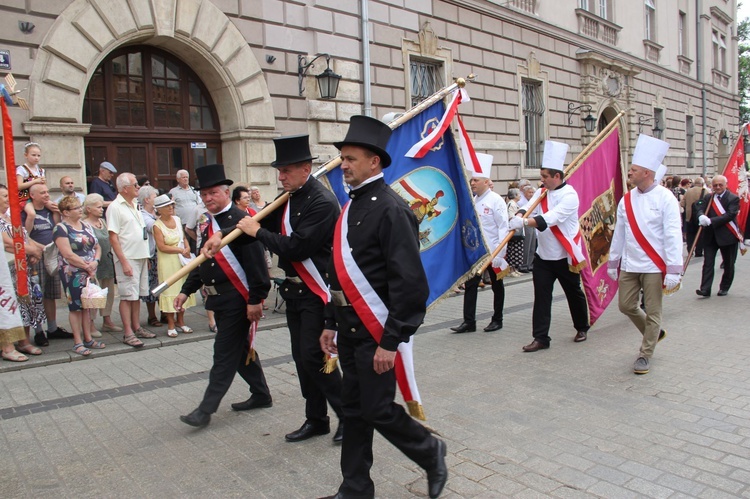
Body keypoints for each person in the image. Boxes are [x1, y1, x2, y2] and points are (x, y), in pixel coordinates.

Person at [318, 116, 447, 499]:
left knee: (376, 410)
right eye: (342, 158)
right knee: (355, 412)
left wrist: (390, 342)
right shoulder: (351, 206)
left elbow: (410, 285)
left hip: (377, 335)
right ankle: (355, 489)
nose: (344, 165)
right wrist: (329, 321)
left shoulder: (392, 209)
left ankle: (430, 450)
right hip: (350, 330)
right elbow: (337, 272)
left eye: (351, 159)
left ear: (374, 162)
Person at [234, 134, 344, 443]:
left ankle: (348, 416)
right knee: (302, 358)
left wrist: (256, 231)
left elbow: (298, 247)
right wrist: (224, 236)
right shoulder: (289, 197)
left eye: (287, 171)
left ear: (306, 168)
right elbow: (258, 226)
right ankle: (317, 419)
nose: (281, 177)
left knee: (315, 356)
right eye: (279, 171)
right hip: (294, 293)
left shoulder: (321, 201)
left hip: (316, 291)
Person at [174, 164, 271, 428]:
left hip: (238, 300)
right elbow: (202, 262)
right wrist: (185, 291)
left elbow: (257, 268)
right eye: (204, 194)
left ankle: (204, 411)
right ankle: (261, 394)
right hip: (219, 300)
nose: (207, 199)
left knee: (224, 353)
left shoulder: (240, 223)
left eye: (213, 193)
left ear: (226, 192)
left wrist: (255, 300)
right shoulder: (209, 224)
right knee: (240, 352)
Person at [608, 135, 682, 375]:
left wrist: (674, 269)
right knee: (625, 305)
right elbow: (619, 232)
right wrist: (614, 260)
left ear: (648, 173)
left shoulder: (665, 198)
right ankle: (655, 332)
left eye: (634, 170)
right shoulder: (626, 199)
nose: (630, 173)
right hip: (630, 263)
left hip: (653, 264)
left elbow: (672, 234)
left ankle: (645, 354)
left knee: (653, 311)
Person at [510, 141, 590, 351]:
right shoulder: (542, 192)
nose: (542, 180)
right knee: (542, 297)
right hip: (543, 257)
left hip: (564, 256)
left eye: (545, 176)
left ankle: (582, 326)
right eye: (541, 176)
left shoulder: (570, 196)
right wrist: (519, 215)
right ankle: (541, 338)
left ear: (557, 176)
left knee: (573, 293)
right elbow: (528, 207)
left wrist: (525, 223)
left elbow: (549, 219)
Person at [450, 153, 508, 334]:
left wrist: (500, 253)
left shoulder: (496, 200)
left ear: (485, 181)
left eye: (475, 180)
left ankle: (497, 319)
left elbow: (503, 227)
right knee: (471, 284)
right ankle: (469, 321)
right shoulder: (473, 200)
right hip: (478, 251)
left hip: (493, 250)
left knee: (497, 286)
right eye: (471, 180)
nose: (472, 183)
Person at [107, 173, 155, 348]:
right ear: (125, 188)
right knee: (127, 296)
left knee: (137, 295)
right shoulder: (115, 207)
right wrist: (124, 262)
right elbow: (113, 237)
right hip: (128, 257)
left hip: (141, 255)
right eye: (135, 185)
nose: (138, 187)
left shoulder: (135, 204)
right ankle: (128, 332)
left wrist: (147, 256)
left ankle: (136, 326)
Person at [53, 196, 106, 356]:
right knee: (75, 306)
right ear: (65, 212)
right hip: (73, 272)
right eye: (75, 208)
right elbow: (67, 254)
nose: (80, 210)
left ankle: (88, 338)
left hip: (89, 270)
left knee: (87, 305)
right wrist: (86, 266)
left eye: (79, 207)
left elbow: (97, 246)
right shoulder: (61, 228)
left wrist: (95, 262)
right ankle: (78, 341)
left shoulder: (85, 225)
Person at [22, 184, 71, 347]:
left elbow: (57, 228)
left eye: (47, 192)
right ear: (32, 196)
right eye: (42, 193)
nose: (46, 195)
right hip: (36, 257)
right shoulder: (27, 213)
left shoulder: (50, 211)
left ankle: (52, 328)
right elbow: (25, 235)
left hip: (52, 255)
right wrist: (39, 249)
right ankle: (38, 331)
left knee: (51, 294)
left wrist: (56, 211)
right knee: (37, 295)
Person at [0, 184, 45, 359]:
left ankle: (24, 341)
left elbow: (25, 236)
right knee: (10, 305)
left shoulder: (11, 217)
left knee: (26, 303)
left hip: (23, 267)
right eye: (4, 196)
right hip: (7, 269)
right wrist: (31, 250)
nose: (7, 199)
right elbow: (8, 243)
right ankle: (8, 346)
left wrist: (35, 250)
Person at [153, 194, 195, 337]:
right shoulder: (156, 225)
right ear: (159, 209)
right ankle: (171, 324)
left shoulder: (177, 219)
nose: (171, 208)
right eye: (167, 206)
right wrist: (180, 250)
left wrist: (188, 247)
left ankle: (181, 321)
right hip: (167, 261)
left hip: (180, 260)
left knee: (182, 288)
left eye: (172, 205)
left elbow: (183, 237)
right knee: (169, 290)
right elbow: (161, 246)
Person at [695, 174, 742, 297]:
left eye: (720, 185)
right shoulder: (708, 197)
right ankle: (705, 289)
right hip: (710, 236)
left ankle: (724, 287)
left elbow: (730, 215)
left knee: (728, 264)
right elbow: (699, 206)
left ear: (726, 185)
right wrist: (701, 215)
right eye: (715, 185)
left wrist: (711, 221)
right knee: (708, 263)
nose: (718, 187)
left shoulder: (733, 198)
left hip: (728, 236)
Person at [82, 194, 121, 334]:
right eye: (98, 207)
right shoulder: (85, 224)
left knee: (108, 291)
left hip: (107, 261)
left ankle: (107, 320)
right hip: (93, 263)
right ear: (89, 208)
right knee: (94, 293)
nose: (101, 209)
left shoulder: (103, 222)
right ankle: (91, 323)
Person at [137, 186, 161, 327]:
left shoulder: (155, 213)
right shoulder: (142, 215)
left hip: (161, 254)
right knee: (152, 285)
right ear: (147, 200)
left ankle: (165, 312)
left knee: (163, 283)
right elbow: (154, 227)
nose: (157, 199)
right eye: (154, 196)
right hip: (150, 254)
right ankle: (152, 316)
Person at [169, 169, 201, 253]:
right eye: (183, 177)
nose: (186, 179)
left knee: (196, 246)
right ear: (178, 179)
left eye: (187, 177)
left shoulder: (194, 190)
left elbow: (200, 204)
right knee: (185, 247)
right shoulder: (173, 192)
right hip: (182, 223)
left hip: (195, 223)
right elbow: (171, 207)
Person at [681, 177, 707, 256]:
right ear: (702, 184)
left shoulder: (688, 191)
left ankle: (690, 250)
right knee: (700, 235)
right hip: (701, 216)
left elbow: (682, 203)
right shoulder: (705, 191)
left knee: (690, 234)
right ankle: (698, 251)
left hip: (689, 216)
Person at [16, 142, 47, 208]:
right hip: (26, 198)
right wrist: (35, 181)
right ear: (26, 155)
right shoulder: (22, 169)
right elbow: (19, 186)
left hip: (39, 197)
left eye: (38, 156)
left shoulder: (41, 171)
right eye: (33, 155)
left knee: (55, 208)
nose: (36, 158)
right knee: (31, 213)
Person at [506, 187, 524, 276]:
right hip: (513, 230)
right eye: (519, 194)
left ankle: (514, 269)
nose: (520, 196)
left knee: (517, 250)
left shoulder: (515, 204)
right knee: (512, 251)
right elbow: (511, 216)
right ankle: (511, 270)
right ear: (515, 195)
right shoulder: (511, 204)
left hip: (518, 229)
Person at [519, 184, 537, 273]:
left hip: (533, 222)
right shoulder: (522, 201)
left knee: (532, 246)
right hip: (526, 223)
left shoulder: (533, 200)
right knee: (526, 245)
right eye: (529, 192)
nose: (531, 194)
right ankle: (524, 265)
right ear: (525, 193)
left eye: (532, 192)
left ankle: (529, 264)